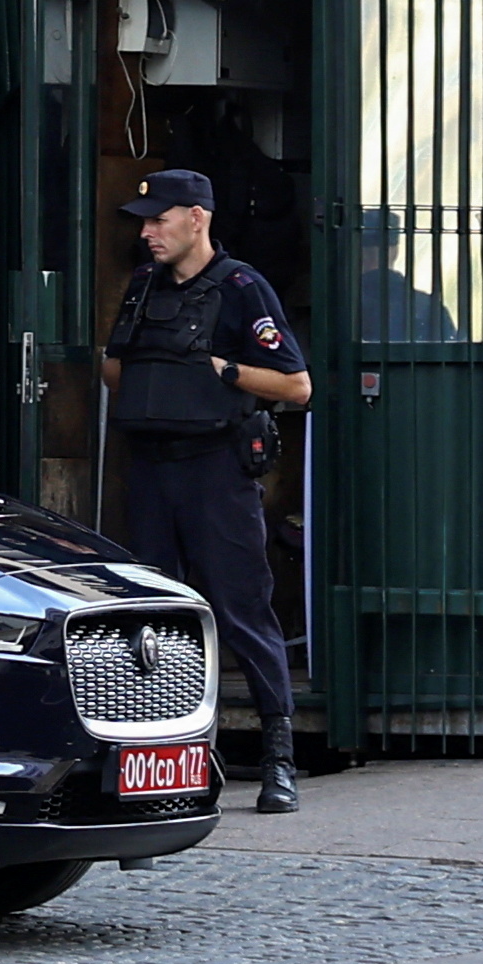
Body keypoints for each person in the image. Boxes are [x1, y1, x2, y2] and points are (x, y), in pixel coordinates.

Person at [98, 166, 311, 814]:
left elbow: (296, 385)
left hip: (215, 472)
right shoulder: (141, 283)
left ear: (197, 217)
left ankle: (278, 758)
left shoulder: (242, 288)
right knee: (158, 620)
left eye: (159, 218)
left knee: (241, 612)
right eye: (144, 219)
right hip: (154, 469)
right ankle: (169, 757)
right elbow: (113, 365)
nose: (147, 230)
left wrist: (223, 370)